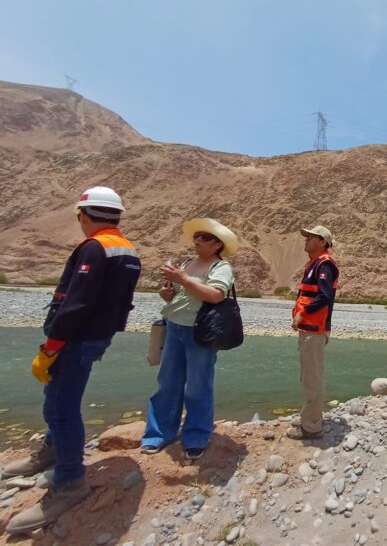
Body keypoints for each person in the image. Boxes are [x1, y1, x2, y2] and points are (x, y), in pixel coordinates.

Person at [3, 186, 141, 535]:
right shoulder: (127, 249)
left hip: (76, 338)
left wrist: (51, 346)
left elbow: (76, 304)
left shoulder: (95, 247)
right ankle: (52, 451)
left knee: (61, 407)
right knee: (59, 399)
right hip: (95, 337)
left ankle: (69, 480)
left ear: (84, 214)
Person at [140, 218, 237, 460]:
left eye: (204, 237)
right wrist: (168, 294)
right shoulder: (187, 263)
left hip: (199, 332)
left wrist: (184, 280)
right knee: (168, 381)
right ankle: (159, 433)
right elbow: (181, 297)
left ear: (217, 245)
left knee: (197, 385)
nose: (197, 241)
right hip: (175, 328)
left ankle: (196, 435)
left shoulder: (220, 268)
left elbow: (215, 295)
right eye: (197, 237)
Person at [287, 226, 339, 440]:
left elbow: (324, 296)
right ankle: (310, 416)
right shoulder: (315, 264)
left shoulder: (325, 264)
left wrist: (303, 314)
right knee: (308, 375)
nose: (306, 240)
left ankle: (311, 427)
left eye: (310, 237)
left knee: (312, 378)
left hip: (314, 329)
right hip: (309, 329)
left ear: (322, 241)